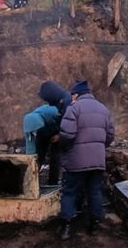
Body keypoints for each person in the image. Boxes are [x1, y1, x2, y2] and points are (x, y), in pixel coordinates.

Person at [58, 80, 114, 239]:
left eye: (72, 95)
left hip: (76, 161)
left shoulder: (73, 108)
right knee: (95, 192)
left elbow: (67, 135)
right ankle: (94, 226)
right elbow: (110, 135)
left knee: (70, 192)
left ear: (76, 95)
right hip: (98, 161)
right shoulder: (104, 109)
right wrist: (99, 148)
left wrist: (66, 148)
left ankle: (66, 228)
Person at [24, 81, 71, 187]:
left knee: (56, 155)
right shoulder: (57, 102)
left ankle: (53, 182)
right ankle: (32, 179)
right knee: (40, 152)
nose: (47, 102)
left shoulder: (67, 102)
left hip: (62, 132)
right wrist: (30, 158)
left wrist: (60, 135)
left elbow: (70, 123)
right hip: (54, 129)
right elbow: (30, 143)